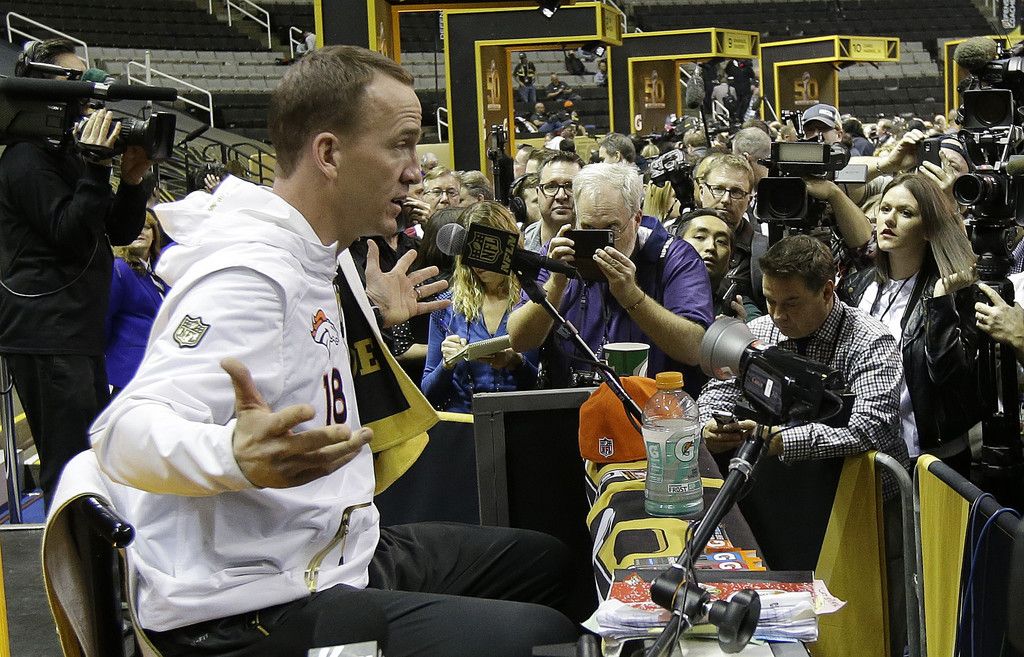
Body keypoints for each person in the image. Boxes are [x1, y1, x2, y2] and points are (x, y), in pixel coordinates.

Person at [88, 45, 577, 657]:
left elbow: (302, 353)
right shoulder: (249, 277)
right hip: (249, 607)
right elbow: (121, 433)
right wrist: (230, 455)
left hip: (334, 552)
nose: (416, 172)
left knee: (550, 562)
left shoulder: (326, 253)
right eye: (401, 145)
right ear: (328, 154)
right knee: (542, 638)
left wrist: (373, 318)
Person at [0, 38, 152, 507]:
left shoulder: (68, 155)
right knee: (70, 467)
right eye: (76, 83)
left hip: (79, 329)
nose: (88, 97)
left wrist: (131, 182)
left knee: (92, 461)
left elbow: (117, 230)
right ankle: (67, 551)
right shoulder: (25, 159)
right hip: (47, 332)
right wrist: (95, 167)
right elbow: (68, 231)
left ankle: (90, 550)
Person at [508, 163, 714, 395]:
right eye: (587, 227)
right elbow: (520, 340)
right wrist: (556, 284)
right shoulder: (558, 253)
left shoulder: (673, 257)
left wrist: (633, 297)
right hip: (572, 407)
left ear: (637, 219)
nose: (599, 242)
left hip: (653, 407)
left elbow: (695, 348)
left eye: (611, 229)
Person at [840, 173, 979, 473]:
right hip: (865, 447)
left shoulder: (952, 292)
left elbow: (949, 376)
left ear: (928, 229)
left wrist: (941, 301)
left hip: (931, 457)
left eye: (906, 213)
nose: (889, 220)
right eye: (885, 209)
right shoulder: (856, 286)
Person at [421, 202, 539, 412]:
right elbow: (428, 392)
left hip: (517, 421)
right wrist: (446, 364)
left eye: (485, 250)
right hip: (463, 423)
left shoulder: (532, 301)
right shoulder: (447, 306)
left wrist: (516, 362)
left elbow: (541, 386)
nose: (476, 263)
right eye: (470, 252)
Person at [105, 208, 166, 395]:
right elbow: (104, 318)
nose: (140, 231)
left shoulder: (160, 273)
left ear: (154, 234)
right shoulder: (118, 268)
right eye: (134, 226)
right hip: (128, 371)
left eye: (146, 226)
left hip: (156, 367)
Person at [675, 209, 744, 318]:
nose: (711, 247)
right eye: (700, 237)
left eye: (721, 241)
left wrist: (738, 326)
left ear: (731, 259)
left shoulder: (735, 304)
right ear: (675, 246)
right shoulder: (652, 293)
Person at [522, 152, 583, 254]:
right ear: (538, 193)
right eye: (551, 187)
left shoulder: (599, 246)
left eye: (570, 186)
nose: (561, 196)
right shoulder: (520, 246)